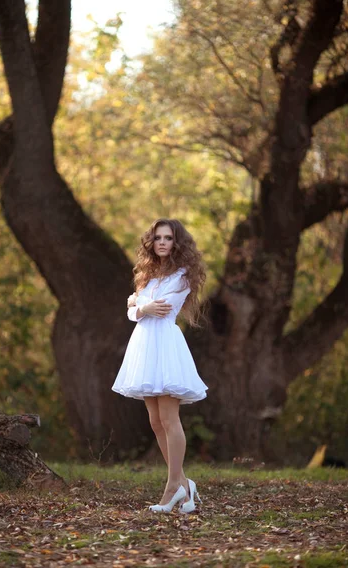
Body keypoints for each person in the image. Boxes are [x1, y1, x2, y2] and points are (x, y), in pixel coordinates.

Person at [112, 218, 208, 513]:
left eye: (168, 237)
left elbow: (160, 307)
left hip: (165, 345)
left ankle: (172, 487)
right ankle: (183, 483)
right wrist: (140, 306)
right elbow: (133, 312)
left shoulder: (181, 276)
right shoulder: (147, 276)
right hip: (144, 345)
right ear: (151, 243)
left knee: (169, 418)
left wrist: (138, 305)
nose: (162, 242)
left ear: (177, 243)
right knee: (155, 421)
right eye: (158, 238)